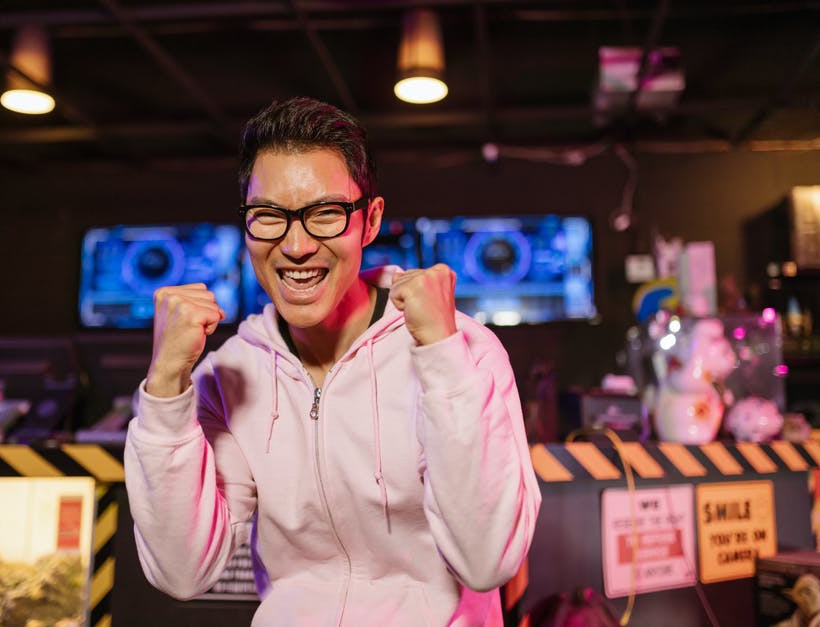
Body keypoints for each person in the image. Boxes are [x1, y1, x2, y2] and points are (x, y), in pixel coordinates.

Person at [124, 96, 541, 626]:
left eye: (325, 214)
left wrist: (441, 357)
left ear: (370, 221)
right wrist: (164, 385)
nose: (296, 245)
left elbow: (487, 562)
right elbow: (182, 572)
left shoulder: (465, 350)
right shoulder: (229, 376)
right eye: (268, 217)